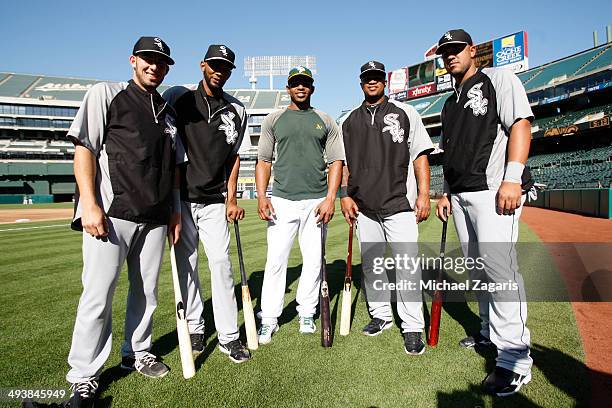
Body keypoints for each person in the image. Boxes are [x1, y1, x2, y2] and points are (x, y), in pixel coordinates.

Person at [63, 36, 182, 407]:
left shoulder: (168, 110)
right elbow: (84, 147)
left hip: (156, 215)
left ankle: (138, 351)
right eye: (148, 59)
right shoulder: (106, 93)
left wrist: (175, 210)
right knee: (97, 296)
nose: (154, 67)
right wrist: (89, 204)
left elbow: (175, 168)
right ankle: (84, 374)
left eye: (161, 62)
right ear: (133, 61)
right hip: (112, 214)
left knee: (146, 293)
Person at [435, 29, 534, 396]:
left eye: (456, 49)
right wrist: (445, 193)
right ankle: (489, 333)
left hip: (493, 190)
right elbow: (449, 154)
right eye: (445, 52)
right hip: (460, 195)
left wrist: (512, 178)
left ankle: (515, 360)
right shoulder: (449, 102)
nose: (451, 56)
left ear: (472, 50)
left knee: (500, 272)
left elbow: (520, 124)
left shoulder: (498, 79)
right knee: (478, 270)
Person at [162, 44, 252, 363]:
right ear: (202, 65)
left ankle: (229, 336)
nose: (219, 71)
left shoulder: (238, 110)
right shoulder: (177, 96)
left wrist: (231, 197)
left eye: (226, 67)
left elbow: (235, 156)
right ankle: (196, 327)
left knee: (221, 265)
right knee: (186, 265)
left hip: (215, 199)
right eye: (214, 65)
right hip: (182, 196)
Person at [339, 60, 434, 355]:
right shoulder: (349, 120)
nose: (372, 82)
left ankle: (413, 326)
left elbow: (419, 155)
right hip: (364, 207)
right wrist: (344, 194)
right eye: (367, 78)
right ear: (361, 82)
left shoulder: (406, 112)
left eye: (377, 77)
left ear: (384, 81)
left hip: (399, 203)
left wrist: (424, 194)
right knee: (372, 266)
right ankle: (381, 315)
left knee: (406, 267)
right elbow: (342, 164)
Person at [255, 66, 345, 344]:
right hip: (282, 200)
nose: (301, 87)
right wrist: (261, 196)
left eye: (305, 83)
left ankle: (307, 311)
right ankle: (269, 318)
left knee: (314, 262)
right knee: (276, 261)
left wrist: (331, 198)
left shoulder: (325, 120)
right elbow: (264, 161)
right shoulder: (274, 119)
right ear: (288, 88)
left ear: (312, 88)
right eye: (296, 83)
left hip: (317, 201)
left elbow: (336, 162)